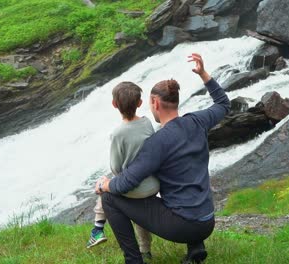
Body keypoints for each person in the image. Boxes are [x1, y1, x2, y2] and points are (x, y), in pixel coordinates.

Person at [95, 53, 230, 264]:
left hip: (182, 225)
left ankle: (134, 261)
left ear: (155, 103)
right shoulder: (197, 121)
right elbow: (223, 104)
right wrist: (204, 74)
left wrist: (105, 185)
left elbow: (126, 182)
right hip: (207, 221)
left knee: (110, 198)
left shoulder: (157, 143)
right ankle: (195, 248)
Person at [87, 81, 160, 261]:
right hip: (153, 185)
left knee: (105, 186)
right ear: (139, 103)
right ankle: (145, 250)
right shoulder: (147, 123)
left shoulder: (118, 133)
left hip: (134, 189)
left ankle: (97, 228)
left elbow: (116, 167)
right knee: (139, 216)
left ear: (114, 105)